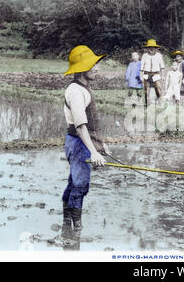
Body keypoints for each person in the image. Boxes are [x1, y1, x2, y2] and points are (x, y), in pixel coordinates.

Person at [62, 45, 109, 248]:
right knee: (80, 185)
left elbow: (91, 125)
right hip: (78, 143)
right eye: (93, 65)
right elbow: (81, 126)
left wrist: (101, 145)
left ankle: (66, 222)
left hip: (82, 142)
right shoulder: (75, 92)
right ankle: (76, 229)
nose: (96, 68)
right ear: (82, 69)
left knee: (74, 183)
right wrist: (92, 151)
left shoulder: (83, 88)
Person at [140, 39, 165, 105]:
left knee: (158, 88)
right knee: (146, 90)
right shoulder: (144, 56)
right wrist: (141, 76)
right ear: (147, 48)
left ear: (156, 48)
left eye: (153, 47)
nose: (151, 49)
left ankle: (160, 101)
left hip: (156, 74)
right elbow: (141, 67)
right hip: (146, 74)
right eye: (150, 47)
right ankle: (146, 103)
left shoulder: (159, 55)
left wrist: (162, 76)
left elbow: (162, 67)